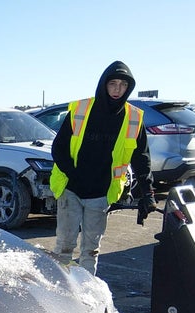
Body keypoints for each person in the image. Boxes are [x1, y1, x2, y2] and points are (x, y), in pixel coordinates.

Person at [50, 60, 155, 275]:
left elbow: (141, 157)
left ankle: (85, 290)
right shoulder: (81, 110)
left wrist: (148, 193)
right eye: (113, 84)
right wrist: (73, 173)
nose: (117, 89)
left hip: (101, 193)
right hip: (71, 188)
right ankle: (59, 288)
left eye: (123, 85)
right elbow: (58, 147)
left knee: (91, 250)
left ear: (128, 88)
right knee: (64, 247)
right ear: (103, 84)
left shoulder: (133, 118)